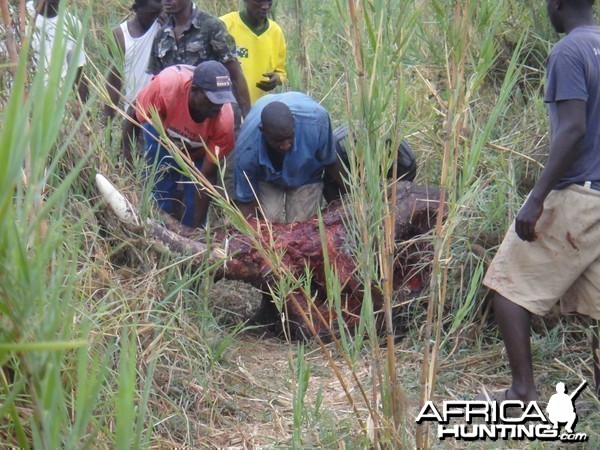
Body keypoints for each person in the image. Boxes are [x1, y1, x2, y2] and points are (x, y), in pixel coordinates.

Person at [481, 0, 600, 403]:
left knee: (508, 286)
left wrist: (536, 199)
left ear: (559, 4)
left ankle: (522, 392)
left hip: (579, 194)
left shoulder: (569, 50)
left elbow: (573, 129)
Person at [130, 61, 236, 228]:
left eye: (222, 101)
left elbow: (206, 178)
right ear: (194, 91)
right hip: (162, 134)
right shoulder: (165, 88)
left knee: (194, 204)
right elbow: (132, 115)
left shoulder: (224, 121)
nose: (218, 107)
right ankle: (155, 228)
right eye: (212, 100)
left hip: (199, 151)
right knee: (157, 192)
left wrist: (194, 231)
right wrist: (127, 162)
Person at [234, 91, 345, 223]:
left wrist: (351, 194)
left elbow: (331, 161)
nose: (286, 145)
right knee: (269, 221)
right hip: (266, 177)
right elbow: (246, 199)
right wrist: (257, 235)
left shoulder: (317, 123)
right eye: (278, 141)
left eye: (290, 137)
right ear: (263, 131)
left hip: (307, 173)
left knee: (302, 224)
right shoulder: (247, 149)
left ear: (294, 124)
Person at [147, 0, 250, 118]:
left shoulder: (212, 26)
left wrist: (247, 117)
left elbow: (236, 74)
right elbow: (157, 82)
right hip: (179, 118)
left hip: (215, 114)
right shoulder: (161, 35)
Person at [322, 123, 417, 203]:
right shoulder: (338, 149)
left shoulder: (406, 162)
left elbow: (402, 194)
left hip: (393, 160)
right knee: (338, 206)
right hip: (341, 154)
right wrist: (355, 193)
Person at [104, 0, 164, 121]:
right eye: (152, 13)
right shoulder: (120, 35)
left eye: (159, 13)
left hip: (162, 113)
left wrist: (168, 28)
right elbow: (114, 81)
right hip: (134, 114)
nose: (155, 19)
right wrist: (108, 122)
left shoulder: (164, 28)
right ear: (136, 9)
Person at [220, 0, 286, 105]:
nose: (265, 6)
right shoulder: (225, 25)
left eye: (269, 1)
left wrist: (276, 79)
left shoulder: (276, 32)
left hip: (258, 108)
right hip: (228, 106)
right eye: (258, 1)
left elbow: (280, 71)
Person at [26, 0, 88, 101]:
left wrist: (85, 114)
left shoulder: (72, 24)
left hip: (54, 110)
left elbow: (78, 75)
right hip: (19, 109)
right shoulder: (18, 20)